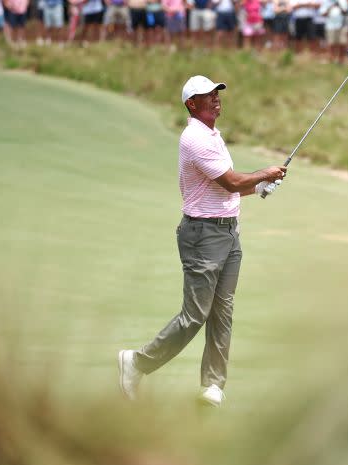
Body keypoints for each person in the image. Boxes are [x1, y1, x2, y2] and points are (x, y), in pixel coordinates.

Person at [117, 76, 287, 408]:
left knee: (222, 311)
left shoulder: (212, 135)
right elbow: (232, 181)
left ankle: (212, 384)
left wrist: (259, 189)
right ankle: (136, 363)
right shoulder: (195, 138)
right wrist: (264, 175)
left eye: (216, 93)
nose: (214, 98)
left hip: (227, 232)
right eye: (205, 96)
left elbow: (228, 188)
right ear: (190, 105)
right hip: (202, 236)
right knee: (195, 315)